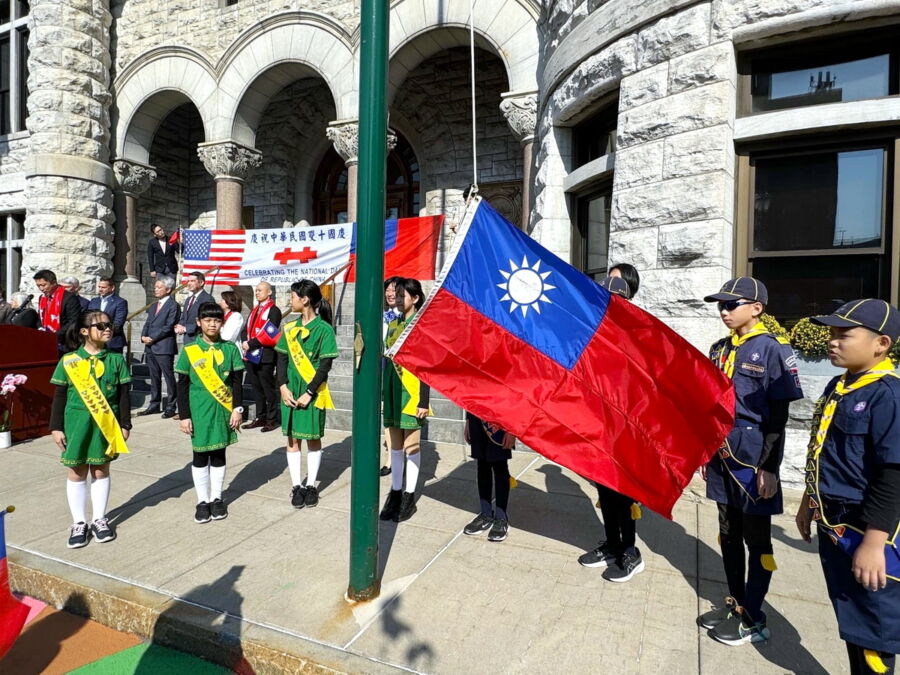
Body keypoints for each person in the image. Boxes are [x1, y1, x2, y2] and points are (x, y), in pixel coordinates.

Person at [796, 299, 900, 675]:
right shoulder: (839, 384)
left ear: (881, 343)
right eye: (831, 333)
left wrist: (875, 542)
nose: (833, 341)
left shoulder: (887, 394)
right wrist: (810, 501)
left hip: (866, 530)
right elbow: (825, 451)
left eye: (845, 334)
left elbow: (893, 474)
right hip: (834, 523)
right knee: (852, 621)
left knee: (873, 635)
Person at [698, 277, 804, 646]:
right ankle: (737, 601)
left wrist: (769, 468)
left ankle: (755, 616)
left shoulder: (773, 349)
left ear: (756, 308)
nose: (724, 311)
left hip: (752, 450)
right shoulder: (719, 348)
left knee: (756, 538)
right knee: (727, 531)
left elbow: (778, 416)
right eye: (720, 305)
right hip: (720, 449)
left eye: (732, 304)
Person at [578, 274, 645, 582]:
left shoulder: (636, 339)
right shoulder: (593, 337)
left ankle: (630, 551)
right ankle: (612, 543)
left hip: (626, 432)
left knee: (624, 494)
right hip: (598, 428)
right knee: (605, 491)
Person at [49, 310, 131, 548]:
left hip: (106, 423)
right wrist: (56, 427)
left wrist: (125, 423)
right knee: (77, 470)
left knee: (101, 469)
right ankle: (79, 522)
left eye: (110, 325)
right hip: (76, 422)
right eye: (101, 326)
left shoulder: (116, 360)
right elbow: (60, 395)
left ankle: (99, 519)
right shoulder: (69, 360)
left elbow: (124, 394)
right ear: (85, 331)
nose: (107, 329)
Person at [175, 302, 244, 524]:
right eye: (207, 320)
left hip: (223, 409)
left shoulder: (230, 349)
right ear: (199, 322)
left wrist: (237, 409)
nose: (212, 324)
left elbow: (237, 382)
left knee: (218, 453)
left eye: (216, 320)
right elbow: (182, 384)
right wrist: (184, 415)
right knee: (200, 454)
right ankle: (202, 500)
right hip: (198, 410)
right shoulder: (190, 350)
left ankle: (217, 498)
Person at [276, 280, 338, 509]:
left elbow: (325, 365)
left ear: (305, 300)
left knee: (312, 438)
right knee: (292, 439)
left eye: (292, 297)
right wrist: (282, 386)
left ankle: (311, 484)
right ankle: (296, 485)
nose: (289, 301)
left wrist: (309, 392)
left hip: (312, 392)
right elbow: (281, 358)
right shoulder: (289, 327)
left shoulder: (324, 329)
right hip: (290, 389)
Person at [379, 277, 430, 523]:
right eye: (396, 296)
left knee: (412, 446)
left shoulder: (421, 324)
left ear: (415, 298)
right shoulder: (394, 323)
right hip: (392, 391)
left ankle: (409, 496)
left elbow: (426, 366)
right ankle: (395, 491)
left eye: (402, 296)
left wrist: (423, 401)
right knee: (395, 446)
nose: (397, 300)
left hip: (411, 393)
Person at [462, 413, 515, 542]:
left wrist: (512, 430)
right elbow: (469, 393)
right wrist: (468, 420)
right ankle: (486, 514)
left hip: (499, 418)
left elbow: (516, 397)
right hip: (476, 417)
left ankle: (501, 518)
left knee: (500, 466)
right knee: (482, 465)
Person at [242, 282, 282, 432]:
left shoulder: (274, 310)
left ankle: (272, 419)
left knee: (268, 388)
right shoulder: (255, 310)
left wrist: (251, 343)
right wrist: (245, 341)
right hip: (252, 355)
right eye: (256, 290)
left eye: (260, 290)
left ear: (269, 292)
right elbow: (247, 328)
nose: (257, 293)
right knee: (257, 388)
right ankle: (260, 417)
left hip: (265, 355)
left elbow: (270, 332)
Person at [140, 276, 181, 418]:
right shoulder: (153, 306)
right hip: (150, 346)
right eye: (155, 287)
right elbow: (148, 323)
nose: (155, 289)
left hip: (164, 346)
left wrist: (153, 338)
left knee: (168, 376)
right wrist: (143, 336)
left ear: (168, 289)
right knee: (154, 376)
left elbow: (169, 326)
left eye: (159, 287)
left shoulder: (173, 306)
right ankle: (154, 404)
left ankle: (170, 405)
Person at [380, 276, 402, 477]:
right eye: (387, 290)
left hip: (401, 367)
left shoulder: (405, 317)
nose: (389, 293)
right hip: (383, 364)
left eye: (394, 290)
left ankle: (401, 455)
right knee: (386, 411)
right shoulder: (382, 316)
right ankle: (390, 458)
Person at [33, 270, 82, 349]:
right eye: (38, 286)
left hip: (64, 342)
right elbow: (40, 317)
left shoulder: (69, 298)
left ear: (54, 283)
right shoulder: (42, 298)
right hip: (45, 340)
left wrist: (55, 336)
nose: (41, 289)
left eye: (44, 285)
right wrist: (40, 329)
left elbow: (73, 321)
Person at [88, 277, 128, 353]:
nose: (100, 289)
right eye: (99, 287)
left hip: (112, 342)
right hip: (95, 341)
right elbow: (89, 319)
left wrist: (102, 332)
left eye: (103, 287)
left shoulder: (120, 302)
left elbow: (118, 323)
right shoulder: (94, 301)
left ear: (112, 288)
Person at [176, 272, 214, 344]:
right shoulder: (188, 299)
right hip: (187, 340)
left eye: (192, 281)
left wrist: (186, 328)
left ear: (201, 282)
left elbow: (206, 320)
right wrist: (180, 325)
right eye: (188, 281)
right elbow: (184, 317)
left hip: (199, 340)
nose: (189, 284)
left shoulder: (207, 299)